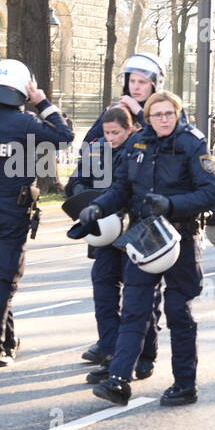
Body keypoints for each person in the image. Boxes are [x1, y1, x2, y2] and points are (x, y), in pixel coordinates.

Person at [76, 89, 215, 407]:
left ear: (177, 114)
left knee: (179, 312)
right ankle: (119, 379)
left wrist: (171, 203)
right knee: (134, 309)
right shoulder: (139, 144)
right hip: (143, 235)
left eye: (169, 113)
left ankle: (185, 384)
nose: (163, 119)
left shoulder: (192, 143)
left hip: (181, 237)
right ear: (148, 118)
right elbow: (122, 187)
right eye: (157, 114)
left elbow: (210, 193)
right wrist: (97, 207)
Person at [0, 59, 74, 369]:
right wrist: (42, 102)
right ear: (24, 89)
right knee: (3, 281)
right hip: (12, 211)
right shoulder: (24, 124)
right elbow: (64, 137)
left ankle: (7, 341)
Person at [67, 105, 157, 382]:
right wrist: (81, 191)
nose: (110, 137)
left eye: (116, 132)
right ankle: (110, 352)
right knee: (103, 290)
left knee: (137, 298)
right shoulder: (97, 151)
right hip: (104, 232)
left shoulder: (141, 151)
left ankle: (144, 354)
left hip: (135, 230)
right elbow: (74, 182)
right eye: (106, 132)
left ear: (130, 129)